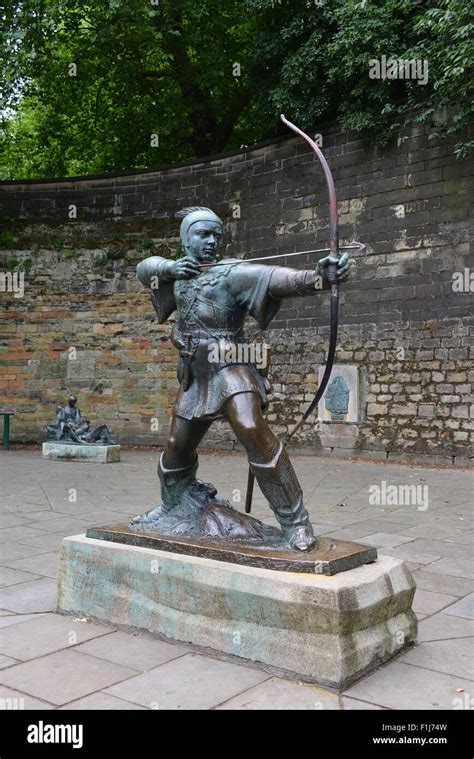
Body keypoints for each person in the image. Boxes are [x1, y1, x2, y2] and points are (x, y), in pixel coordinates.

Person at [133, 207, 349, 551]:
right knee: (176, 447)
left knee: (251, 428)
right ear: (185, 239)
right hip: (195, 373)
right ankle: (172, 506)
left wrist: (318, 278)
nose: (211, 241)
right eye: (203, 234)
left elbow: (276, 278)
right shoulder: (176, 274)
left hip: (232, 366)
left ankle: (296, 524)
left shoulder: (231, 273)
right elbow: (144, 269)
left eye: (216, 235)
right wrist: (171, 268)